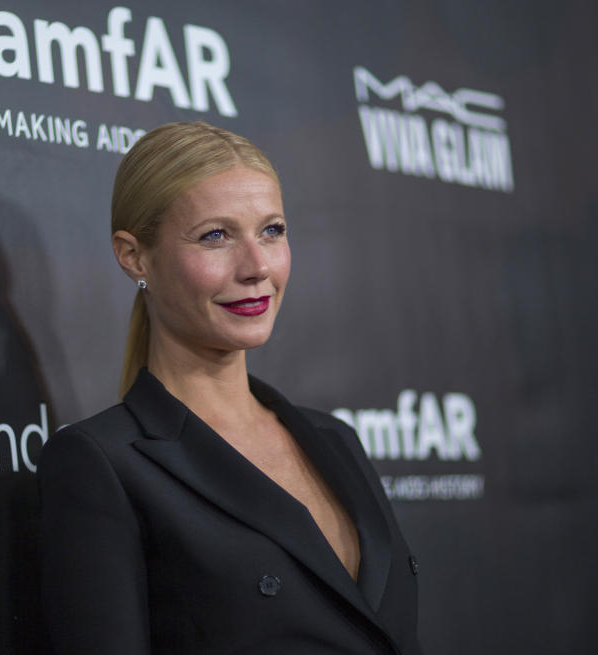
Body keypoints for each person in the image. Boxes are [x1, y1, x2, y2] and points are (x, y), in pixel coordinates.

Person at [38, 121, 424, 654]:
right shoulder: (101, 464)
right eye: (215, 236)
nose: (257, 266)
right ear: (134, 257)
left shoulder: (334, 438)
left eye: (272, 230)